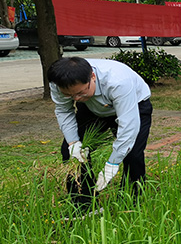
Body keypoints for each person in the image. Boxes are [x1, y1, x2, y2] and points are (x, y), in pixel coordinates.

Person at [48, 57, 152, 206]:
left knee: (132, 154)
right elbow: (64, 111)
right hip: (92, 109)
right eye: (70, 95)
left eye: (80, 93)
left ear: (93, 76)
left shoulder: (118, 81)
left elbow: (128, 126)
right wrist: (73, 142)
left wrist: (112, 163)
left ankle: (130, 202)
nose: (76, 98)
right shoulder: (58, 82)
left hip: (134, 105)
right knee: (70, 152)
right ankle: (83, 204)